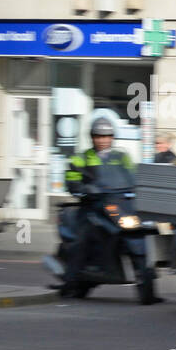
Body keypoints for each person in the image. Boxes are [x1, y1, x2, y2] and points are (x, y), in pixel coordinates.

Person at [59, 117, 135, 297]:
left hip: (116, 203)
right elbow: (71, 180)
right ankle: (70, 282)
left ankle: (148, 285)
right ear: (92, 137)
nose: (103, 140)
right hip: (90, 206)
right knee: (82, 239)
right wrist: (81, 188)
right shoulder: (81, 158)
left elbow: (133, 177)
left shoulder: (121, 157)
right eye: (99, 136)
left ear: (112, 137)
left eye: (107, 136)